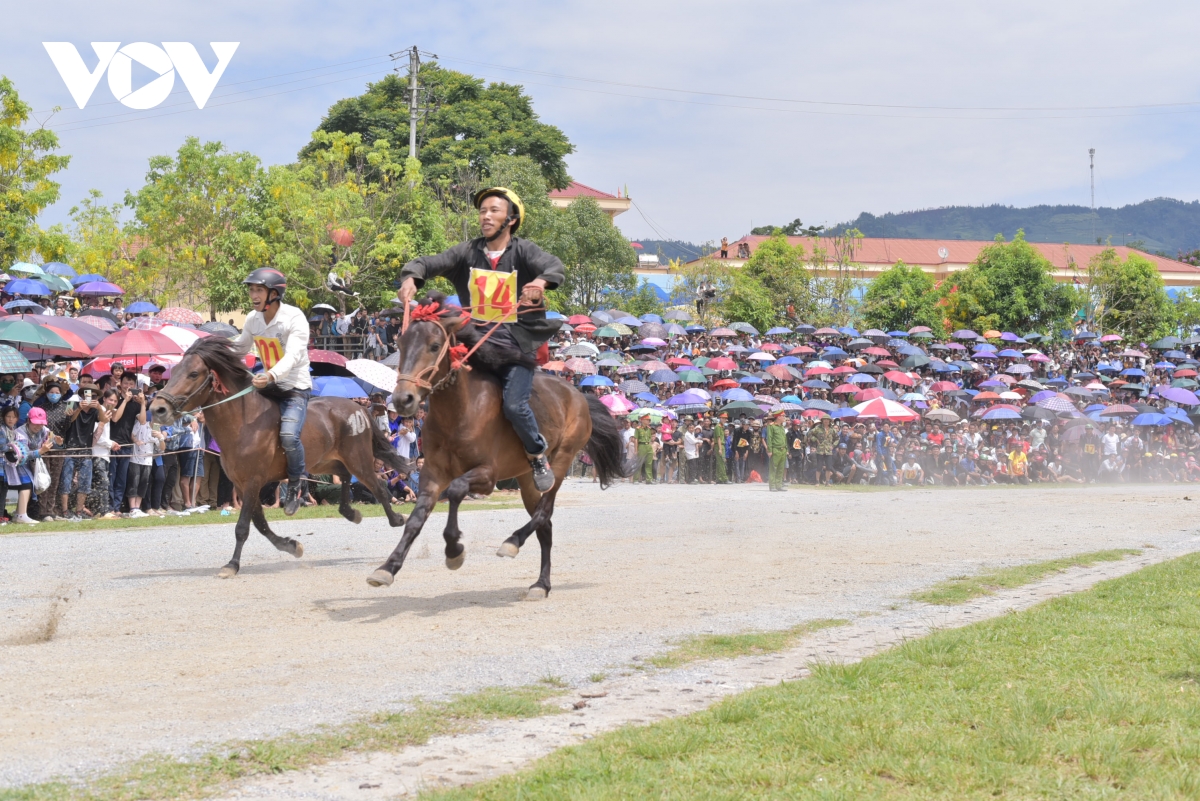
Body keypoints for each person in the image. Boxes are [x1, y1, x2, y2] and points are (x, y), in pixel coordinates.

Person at [398, 187, 565, 492]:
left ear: (510, 219)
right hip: (474, 343)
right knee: (440, 381)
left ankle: (537, 454)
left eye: (494, 211)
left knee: (515, 406)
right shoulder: (466, 252)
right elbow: (428, 262)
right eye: (482, 211)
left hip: (514, 347)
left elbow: (554, 266)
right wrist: (411, 276)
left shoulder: (525, 251)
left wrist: (540, 281)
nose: (485, 216)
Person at [228, 268, 312, 515]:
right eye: (251, 290)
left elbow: (294, 356)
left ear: (274, 294)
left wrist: (271, 374)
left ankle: (296, 484)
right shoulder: (253, 319)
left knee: (288, 436)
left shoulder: (294, 318)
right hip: (268, 385)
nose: (253, 295)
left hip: (294, 387)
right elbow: (240, 347)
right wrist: (213, 352)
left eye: (258, 290)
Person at [766, 410, 787, 491]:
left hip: (783, 450)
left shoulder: (781, 427)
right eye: (783, 416)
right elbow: (769, 439)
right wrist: (770, 450)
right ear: (778, 417)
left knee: (781, 468)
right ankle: (772, 486)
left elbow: (784, 439)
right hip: (775, 449)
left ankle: (779, 485)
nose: (784, 418)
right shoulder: (771, 426)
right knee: (773, 468)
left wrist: (786, 449)